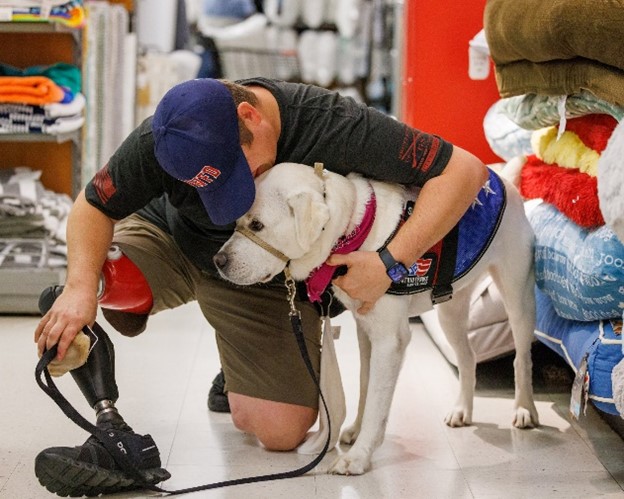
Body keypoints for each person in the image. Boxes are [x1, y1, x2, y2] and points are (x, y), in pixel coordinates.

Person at [33, 77, 488, 495]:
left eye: (240, 171)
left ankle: (234, 365)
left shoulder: (333, 123)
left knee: (281, 432)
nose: (237, 187)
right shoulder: (164, 136)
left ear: (252, 117)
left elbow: (464, 171)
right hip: (170, 238)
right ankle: (108, 411)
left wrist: (389, 262)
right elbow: (92, 207)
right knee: (100, 277)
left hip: (262, 277)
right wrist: (77, 287)